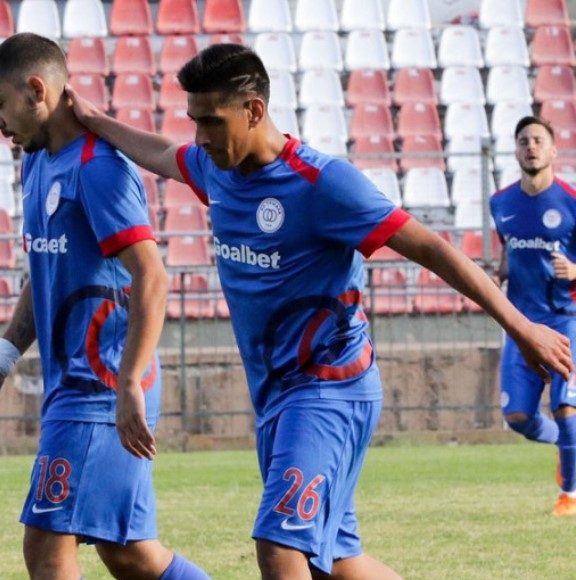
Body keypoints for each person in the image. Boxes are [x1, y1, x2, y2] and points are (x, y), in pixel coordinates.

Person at [67, 44, 574, 579]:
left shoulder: (322, 182)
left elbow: (431, 248)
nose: (201, 137)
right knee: (337, 561)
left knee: (279, 545)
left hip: (330, 387)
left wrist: (521, 326)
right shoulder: (217, 170)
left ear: (254, 111)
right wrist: (95, 120)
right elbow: (162, 153)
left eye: (211, 121)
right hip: (278, 396)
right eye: (194, 121)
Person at [0, 33, 209, 580]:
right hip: (74, 386)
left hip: (101, 385)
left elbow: (152, 276)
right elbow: (46, 270)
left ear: (37, 90)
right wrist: (0, 361)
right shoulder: (36, 164)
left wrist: (128, 382)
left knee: (47, 545)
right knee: (130, 554)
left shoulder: (98, 168)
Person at [490, 116, 576, 517]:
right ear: (516, 150)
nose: (531, 147)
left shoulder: (571, 202)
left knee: (567, 409)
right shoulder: (501, 203)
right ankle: (566, 445)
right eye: (523, 140)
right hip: (521, 325)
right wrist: (500, 273)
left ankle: (569, 495)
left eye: (539, 140)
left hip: (565, 319)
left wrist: (574, 270)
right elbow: (509, 251)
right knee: (518, 417)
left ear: (554, 150)